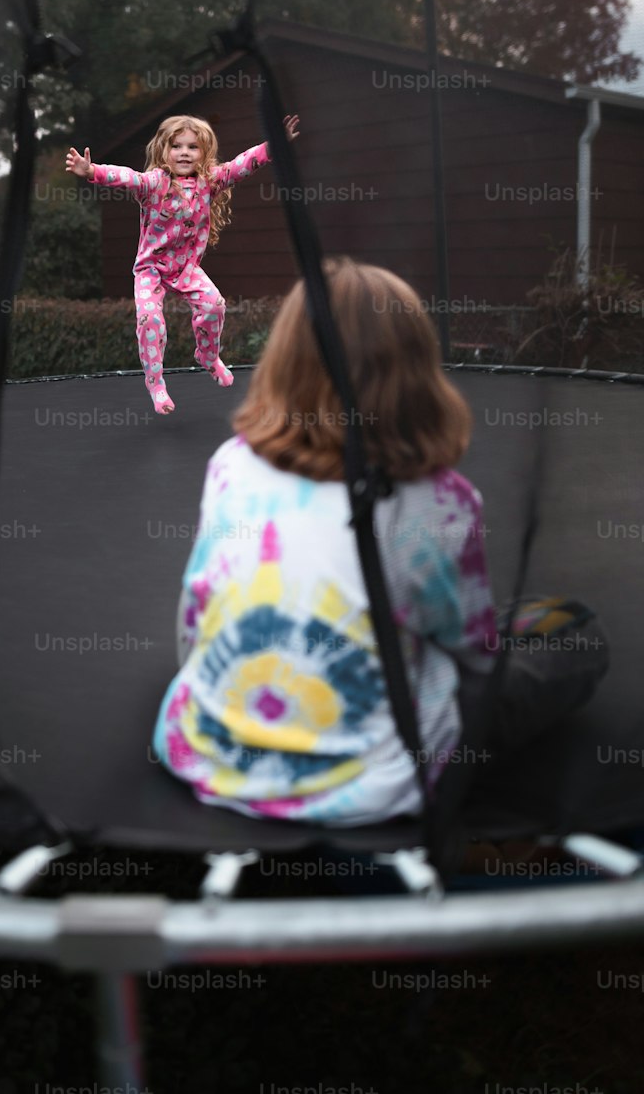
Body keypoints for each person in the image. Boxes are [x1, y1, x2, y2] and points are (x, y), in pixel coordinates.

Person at [152, 259, 609, 825]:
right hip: (371, 782)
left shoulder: (232, 465)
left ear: (283, 364)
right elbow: (472, 655)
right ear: (416, 377)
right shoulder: (441, 504)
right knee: (577, 636)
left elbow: (194, 617)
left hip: (204, 750)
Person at [65, 113, 298, 413]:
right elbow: (127, 177)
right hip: (151, 270)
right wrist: (92, 171)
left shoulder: (209, 182)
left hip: (186, 268)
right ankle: (156, 383)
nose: (184, 153)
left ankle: (207, 356)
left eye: (193, 147)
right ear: (164, 150)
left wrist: (273, 145)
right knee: (149, 319)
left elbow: (242, 165)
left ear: (204, 153)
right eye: (177, 146)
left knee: (214, 305)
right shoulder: (154, 184)